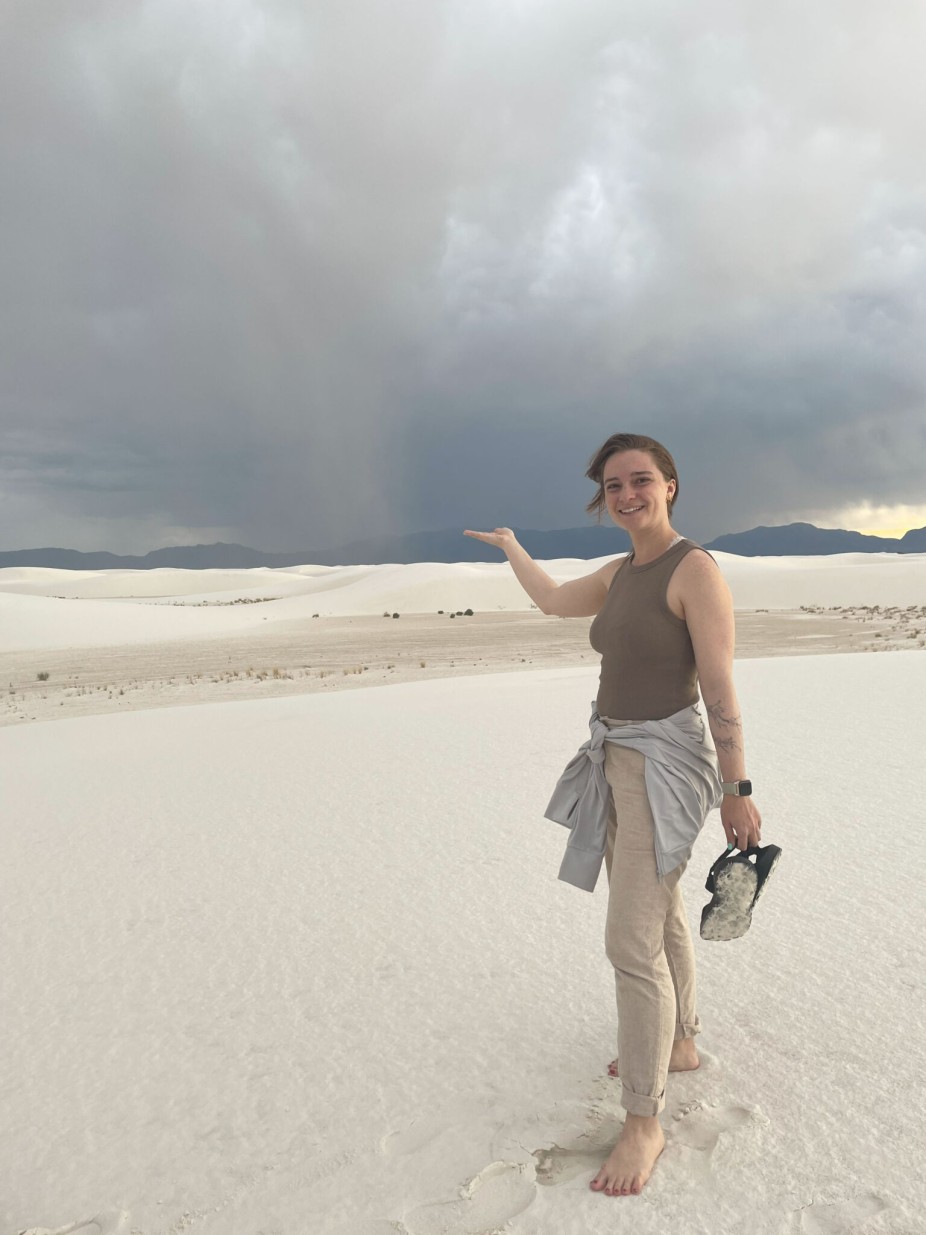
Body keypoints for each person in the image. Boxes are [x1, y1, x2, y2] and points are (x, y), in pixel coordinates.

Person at [464, 432, 762, 1199]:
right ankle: (682, 1043)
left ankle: (644, 1118)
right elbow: (555, 601)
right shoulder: (621, 569)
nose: (626, 494)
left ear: (671, 484)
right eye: (612, 485)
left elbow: (720, 686)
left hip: (668, 762)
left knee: (629, 938)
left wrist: (739, 787)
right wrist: (513, 547)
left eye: (640, 480)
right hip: (616, 756)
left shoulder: (692, 569)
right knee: (657, 916)